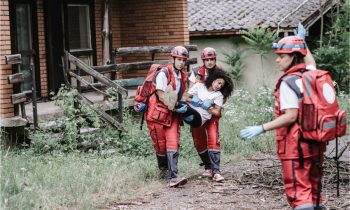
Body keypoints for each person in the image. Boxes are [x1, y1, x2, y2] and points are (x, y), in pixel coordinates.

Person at [240, 25, 326, 210]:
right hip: (315, 143)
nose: (277, 60)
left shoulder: (288, 82)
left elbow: (290, 116)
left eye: (282, 56)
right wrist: (302, 42)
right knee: (314, 191)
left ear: (294, 57)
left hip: (295, 146)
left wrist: (261, 128)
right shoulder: (310, 75)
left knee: (298, 193)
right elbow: (311, 62)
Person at [136, 46, 189, 188]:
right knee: (160, 147)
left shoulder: (183, 76)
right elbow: (160, 94)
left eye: (184, 60)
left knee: (173, 142)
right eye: (179, 59)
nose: (181, 63)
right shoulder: (163, 73)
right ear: (172, 59)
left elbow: (181, 94)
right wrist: (174, 105)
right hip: (157, 114)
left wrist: (184, 105)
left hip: (172, 114)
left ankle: (173, 176)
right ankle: (163, 172)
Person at [188, 47, 230, 182]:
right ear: (203, 60)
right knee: (199, 139)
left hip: (212, 112)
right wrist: (196, 103)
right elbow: (190, 92)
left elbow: (224, 94)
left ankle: (216, 171)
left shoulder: (221, 73)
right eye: (207, 60)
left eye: (212, 59)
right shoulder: (196, 72)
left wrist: (212, 105)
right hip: (197, 112)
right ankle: (208, 167)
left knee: (213, 138)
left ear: (215, 59)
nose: (210, 62)